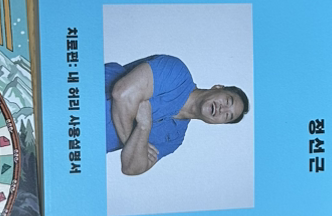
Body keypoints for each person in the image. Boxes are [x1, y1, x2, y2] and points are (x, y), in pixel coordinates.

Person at [104, 54, 248, 176]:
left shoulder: (174, 139)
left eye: (227, 116)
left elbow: (131, 168)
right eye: (227, 101)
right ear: (218, 88)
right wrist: (137, 147)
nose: (222, 109)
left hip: (91, 146)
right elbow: (122, 94)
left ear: (218, 123)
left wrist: (144, 127)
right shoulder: (177, 73)